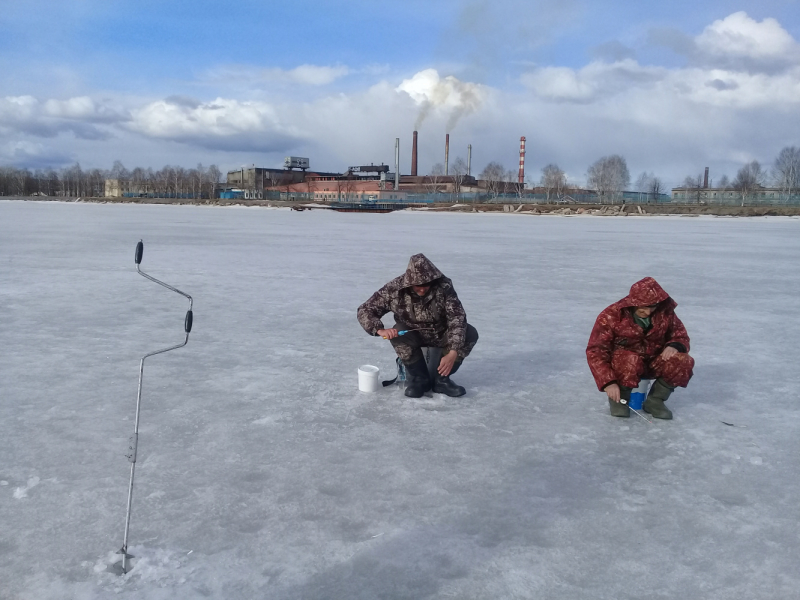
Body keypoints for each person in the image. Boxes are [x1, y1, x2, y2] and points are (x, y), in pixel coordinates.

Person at [357, 254, 478, 398]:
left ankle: (442, 381)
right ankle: (420, 379)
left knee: (470, 332)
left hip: (441, 334)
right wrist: (379, 329)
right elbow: (365, 309)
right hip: (411, 335)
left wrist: (453, 351)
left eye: (426, 285)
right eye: (418, 286)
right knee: (398, 332)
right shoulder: (395, 289)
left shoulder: (444, 287)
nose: (422, 289)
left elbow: (457, 317)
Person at [586, 277, 694, 419]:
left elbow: (681, 336)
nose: (648, 312)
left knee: (683, 360)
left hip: (653, 362)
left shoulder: (665, 313)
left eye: (652, 306)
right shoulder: (612, 316)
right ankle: (620, 401)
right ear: (633, 303)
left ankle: (655, 401)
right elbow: (596, 351)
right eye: (644, 307)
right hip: (624, 366)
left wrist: (674, 345)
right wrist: (608, 383)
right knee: (629, 359)